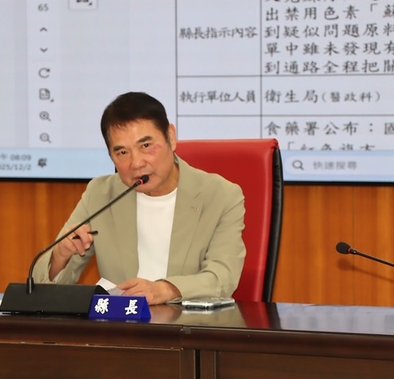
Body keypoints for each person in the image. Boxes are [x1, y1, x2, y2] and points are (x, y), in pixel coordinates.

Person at [33, 92, 245, 305]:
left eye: (145, 146)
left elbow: (223, 277)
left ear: (171, 137)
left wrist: (165, 289)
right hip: (121, 323)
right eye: (122, 153)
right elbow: (42, 289)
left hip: (189, 323)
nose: (136, 163)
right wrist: (60, 256)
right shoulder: (100, 194)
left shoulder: (221, 196)